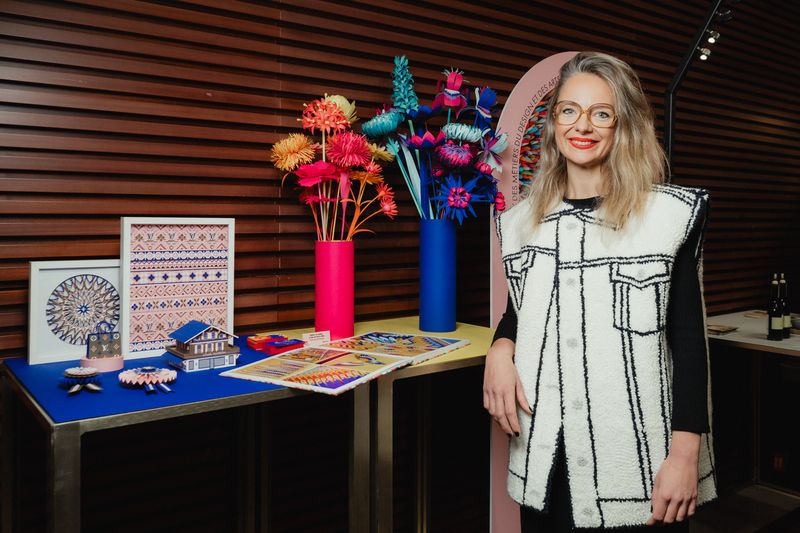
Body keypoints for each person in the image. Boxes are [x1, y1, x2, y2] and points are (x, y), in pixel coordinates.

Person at [484, 52, 717, 532]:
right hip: (544, 464)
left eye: (601, 113)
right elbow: (519, 314)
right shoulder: (521, 223)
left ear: (623, 125)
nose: (582, 125)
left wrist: (685, 456)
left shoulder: (667, 217)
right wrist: (499, 351)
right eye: (569, 110)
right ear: (553, 123)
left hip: (640, 466)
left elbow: (690, 344)